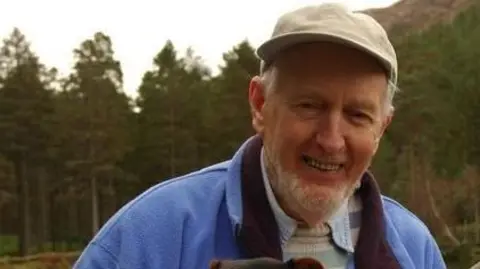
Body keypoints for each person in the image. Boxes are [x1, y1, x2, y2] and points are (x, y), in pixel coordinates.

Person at [73, 3, 447, 269]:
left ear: (382, 128)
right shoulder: (152, 236)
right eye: (309, 106)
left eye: (357, 115)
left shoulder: (415, 249)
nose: (332, 140)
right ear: (259, 105)